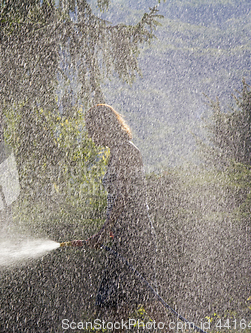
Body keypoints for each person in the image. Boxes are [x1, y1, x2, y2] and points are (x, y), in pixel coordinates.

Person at [73, 104, 159, 319]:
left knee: (145, 300)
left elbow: (122, 198)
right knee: (118, 304)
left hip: (135, 237)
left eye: (92, 130)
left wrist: (104, 231)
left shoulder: (124, 151)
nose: (91, 136)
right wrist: (109, 231)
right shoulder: (118, 151)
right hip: (125, 236)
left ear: (105, 127)